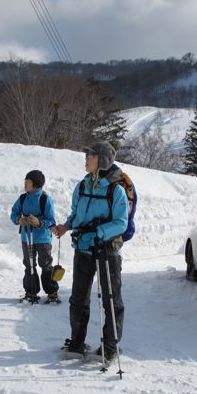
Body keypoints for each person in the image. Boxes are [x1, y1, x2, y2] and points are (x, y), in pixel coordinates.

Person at [52, 141, 128, 360]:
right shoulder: (82, 186)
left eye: (91, 156)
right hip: (84, 248)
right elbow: (76, 214)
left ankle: (110, 347)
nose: (86, 160)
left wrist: (99, 233)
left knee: (111, 299)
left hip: (106, 251)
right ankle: (77, 343)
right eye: (87, 156)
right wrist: (66, 227)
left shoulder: (116, 190)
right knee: (78, 298)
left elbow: (121, 223)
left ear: (102, 160)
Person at [11, 170, 59, 303]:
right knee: (29, 265)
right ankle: (31, 292)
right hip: (26, 238)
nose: (25, 184)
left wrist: (39, 223)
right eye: (25, 181)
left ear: (37, 185)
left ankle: (52, 292)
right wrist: (18, 220)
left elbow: (51, 221)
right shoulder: (22, 198)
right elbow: (14, 213)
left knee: (46, 265)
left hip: (43, 238)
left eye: (28, 182)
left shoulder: (45, 199)